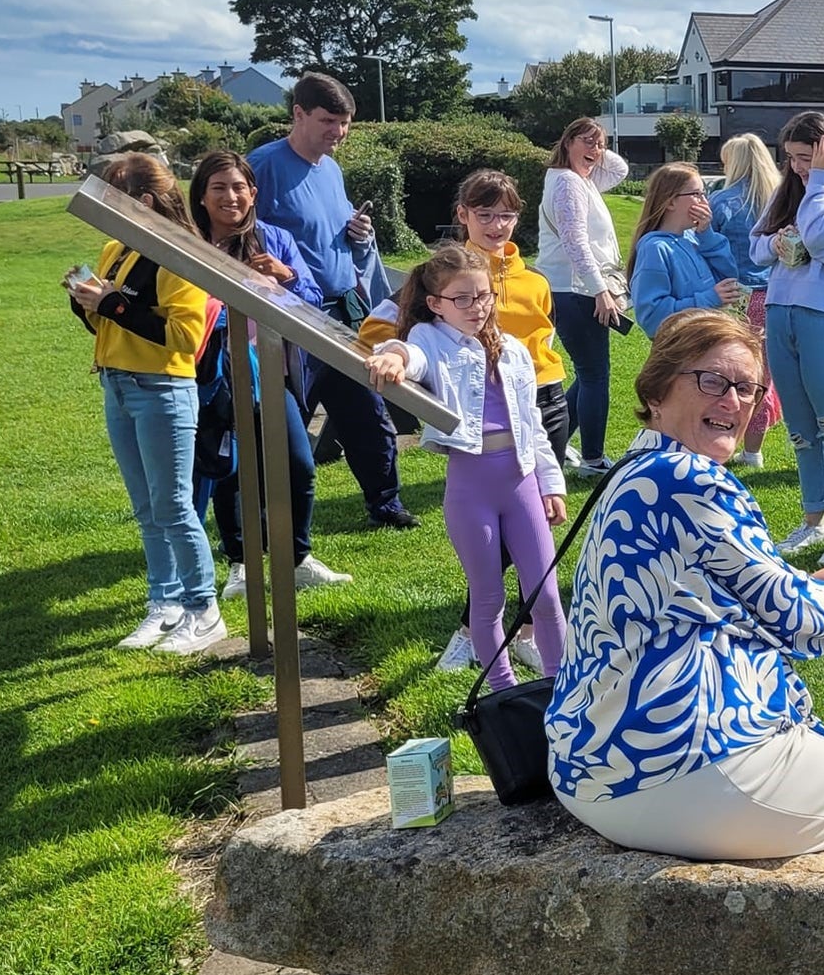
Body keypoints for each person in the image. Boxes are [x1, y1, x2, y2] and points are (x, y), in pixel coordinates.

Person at [543, 309, 824, 859]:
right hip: (669, 769)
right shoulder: (692, 479)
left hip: (588, 759)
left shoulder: (640, 467)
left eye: (747, 388)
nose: (733, 401)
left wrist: (823, 578)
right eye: (711, 381)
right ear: (658, 389)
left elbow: (729, 588)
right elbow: (793, 618)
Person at [361, 169, 565, 673]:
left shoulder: (513, 347)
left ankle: (566, 690)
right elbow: (409, 351)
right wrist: (392, 356)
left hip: (522, 478)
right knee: (488, 596)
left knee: (547, 595)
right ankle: (498, 690)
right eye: (462, 300)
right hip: (472, 485)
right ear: (435, 304)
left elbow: (531, 422)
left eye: (483, 298)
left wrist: (551, 481)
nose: (477, 307)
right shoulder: (432, 335)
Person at [66, 154, 224, 653]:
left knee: (174, 505)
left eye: (113, 199)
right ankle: (166, 602)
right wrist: (88, 302)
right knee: (147, 507)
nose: (105, 211)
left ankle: (204, 611)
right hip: (118, 384)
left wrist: (112, 303)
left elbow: (183, 336)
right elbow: (109, 323)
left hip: (162, 389)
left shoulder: (180, 254)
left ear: (145, 202)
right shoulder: (119, 246)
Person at [248, 72, 415, 528]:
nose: (338, 133)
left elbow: (333, 228)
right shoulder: (262, 167)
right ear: (297, 114)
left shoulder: (332, 168)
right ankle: (260, 519)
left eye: (344, 123)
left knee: (366, 412)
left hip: (342, 312)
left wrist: (358, 232)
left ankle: (386, 504)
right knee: (285, 423)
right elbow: (238, 238)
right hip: (290, 316)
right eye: (328, 121)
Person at [188, 150, 352, 600]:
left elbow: (314, 299)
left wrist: (287, 276)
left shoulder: (273, 238)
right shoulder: (188, 244)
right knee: (229, 468)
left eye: (239, 187)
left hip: (271, 373)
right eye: (219, 188)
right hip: (215, 377)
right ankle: (241, 563)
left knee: (298, 465)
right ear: (201, 196)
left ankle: (298, 558)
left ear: (254, 194)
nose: (230, 197)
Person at [749, 111, 824, 566]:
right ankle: (812, 521)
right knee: (801, 430)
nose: (798, 167)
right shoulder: (790, 192)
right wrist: (777, 242)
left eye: (807, 158)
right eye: (793, 160)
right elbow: (756, 247)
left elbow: (820, 234)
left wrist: (819, 180)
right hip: (782, 314)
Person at [533, 117, 632, 477]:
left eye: (600, 143)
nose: (596, 150)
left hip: (576, 288)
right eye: (586, 142)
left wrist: (594, 151)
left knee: (590, 374)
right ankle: (593, 459)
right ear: (567, 142)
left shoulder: (579, 179)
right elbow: (575, 242)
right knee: (595, 376)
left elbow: (619, 169)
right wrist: (600, 290)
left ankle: (551, 443)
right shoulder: (568, 184)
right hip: (575, 290)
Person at [708, 134, 784, 468]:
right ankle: (754, 451)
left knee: (732, 377)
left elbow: (707, 248)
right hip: (777, 295)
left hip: (738, 296)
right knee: (762, 380)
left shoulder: (722, 201)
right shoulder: (780, 200)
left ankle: (723, 441)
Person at [627, 163, 742, 337]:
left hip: (706, 342)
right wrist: (708, 300)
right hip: (679, 352)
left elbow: (729, 278)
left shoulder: (694, 239)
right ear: (670, 201)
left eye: (704, 194)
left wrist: (707, 235)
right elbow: (652, 318)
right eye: (696, 194)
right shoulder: (655, 249)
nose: (705, 202)